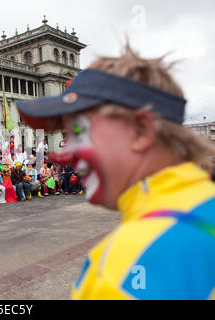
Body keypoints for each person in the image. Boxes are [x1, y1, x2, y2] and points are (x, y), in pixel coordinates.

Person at [15, 43, 215, 300]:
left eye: (78, 132)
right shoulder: (204, 206)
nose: (64, 155)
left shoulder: (127, 264)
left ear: (141, 131)